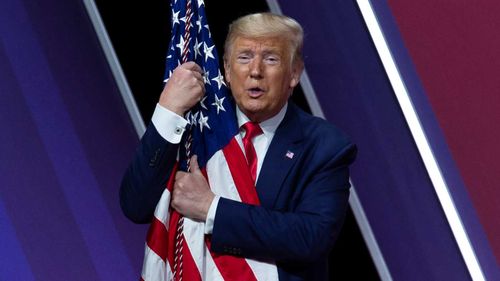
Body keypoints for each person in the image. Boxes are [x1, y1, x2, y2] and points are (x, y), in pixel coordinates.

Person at [120, 12, 357, 281]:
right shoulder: (195, 131)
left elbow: (312, 237)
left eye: (270, 59)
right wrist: (168, 110)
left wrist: (212, 208)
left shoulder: (325, 146)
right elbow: (135, 205)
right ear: (227, 70)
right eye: (244, 57)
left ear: (294, 73)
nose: (255, 71)